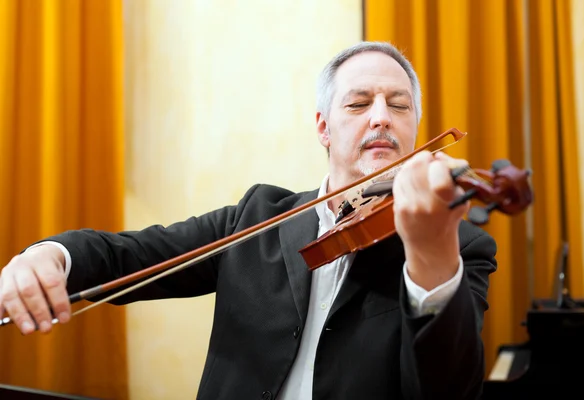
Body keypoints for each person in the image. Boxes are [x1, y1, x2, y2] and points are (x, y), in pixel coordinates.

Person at [0, 41, 497, 399]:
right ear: (323, 127)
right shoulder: (258, 217)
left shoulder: (459, 243)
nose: (381, 117)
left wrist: (430, 255)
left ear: (416, 127)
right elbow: (130, 255)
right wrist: (48, 256)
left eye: (399, 105)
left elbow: (449, 387)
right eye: (359, 103)